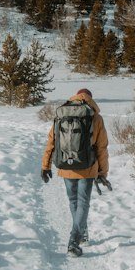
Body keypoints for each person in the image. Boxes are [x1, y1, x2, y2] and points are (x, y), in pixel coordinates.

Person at [41, 86, 110, 257]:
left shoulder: (62, 113)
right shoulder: (96, 117)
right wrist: (103, 172)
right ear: (90, 98)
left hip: (66, 166)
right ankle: (74, 240)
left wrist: (45, 166)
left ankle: (82, 232)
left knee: (73, 201)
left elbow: (52, 142)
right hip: (87, 166)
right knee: (83, 202)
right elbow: (102, 147)